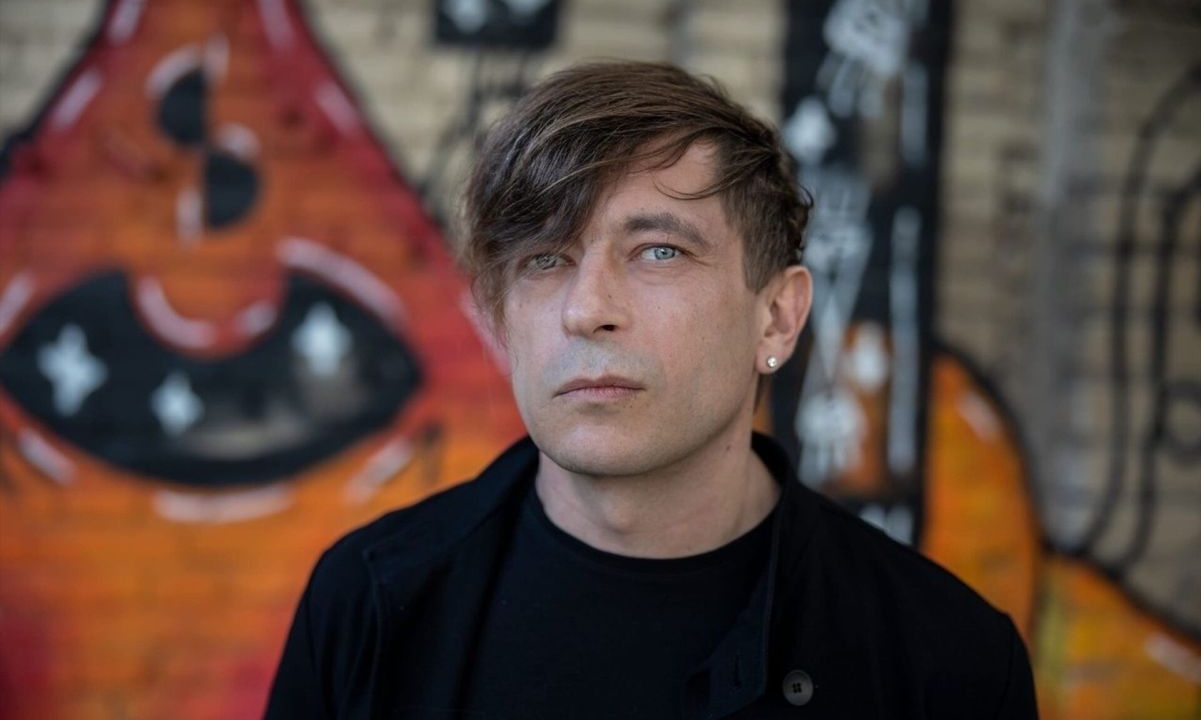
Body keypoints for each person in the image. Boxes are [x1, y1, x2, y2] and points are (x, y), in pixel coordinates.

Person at [264, 61, 1038, 719]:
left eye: (658, 251)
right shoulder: (371, 605)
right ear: (500, 321)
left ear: (776, 317)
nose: (587, 309)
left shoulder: (942, 661)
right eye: (544, 259)